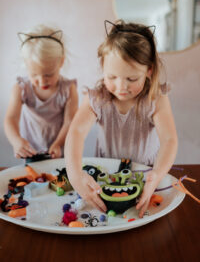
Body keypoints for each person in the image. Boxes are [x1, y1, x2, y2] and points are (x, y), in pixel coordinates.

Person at [65, 20, 178, 217]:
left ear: (149, 70)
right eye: (112, 77)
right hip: (106, 180)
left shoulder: (156, 98)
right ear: (103, 66)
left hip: (145, 178)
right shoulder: (97, 97)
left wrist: (157, 175)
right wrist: (74, 173)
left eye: (132, 79)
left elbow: (169, 140)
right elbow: (76, 132)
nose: (121, 87)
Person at [4, 25, 78, 160]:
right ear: (26, 66)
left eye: (49, 74)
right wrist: (16, 141)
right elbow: (11, 118)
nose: (42, 81)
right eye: (34, 75)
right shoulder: (21, 88)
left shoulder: (68, 89)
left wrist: (58, 143)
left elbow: (70, 122)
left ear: (61, 62)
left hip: (60, 150)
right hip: (31, 151)